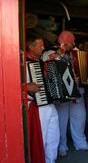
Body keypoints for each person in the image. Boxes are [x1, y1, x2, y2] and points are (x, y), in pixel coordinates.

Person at [52, 31, 88, 157]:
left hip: (77, 91)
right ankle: (61, 146)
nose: (72, 44)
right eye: (70, 42)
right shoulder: (53, 53)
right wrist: (61, 50)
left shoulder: (77, 53)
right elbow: (51, 67)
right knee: (62, 120)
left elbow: (84, 67)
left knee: (80, 117)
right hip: (63, 93)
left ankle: (80, 143)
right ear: (63, 42)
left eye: (72, 42)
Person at [26, 31, 60, 163]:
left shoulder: (42, 62)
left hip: (49, 104)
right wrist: (26, 87)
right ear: (31, 47)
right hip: (37, 106)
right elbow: (8, 84)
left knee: (53, 136)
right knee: (42, 138)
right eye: (40, 46)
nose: (43, 48)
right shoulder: (22, 63)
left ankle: (50, 160)